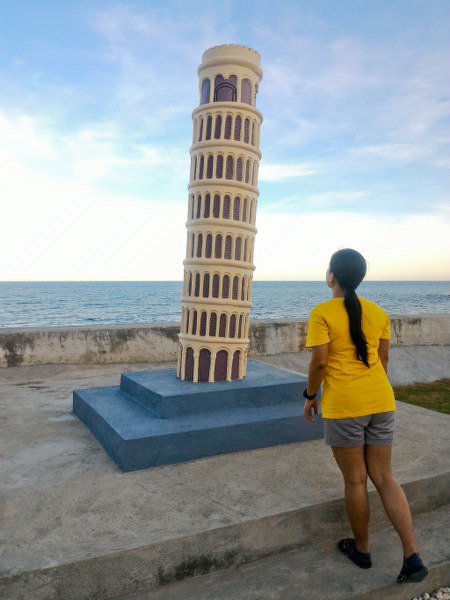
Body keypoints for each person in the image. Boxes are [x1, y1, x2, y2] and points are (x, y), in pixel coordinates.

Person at [303, 248, 428, 583]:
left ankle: (362, 549)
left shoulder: (322, 312)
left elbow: (319, 363)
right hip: (381, 401)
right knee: (385, 478)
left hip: (345, 406)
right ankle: (412, 555)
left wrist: (310, 395)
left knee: (356, 480)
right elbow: (383, 362)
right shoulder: (378, 312)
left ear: (331, 276)